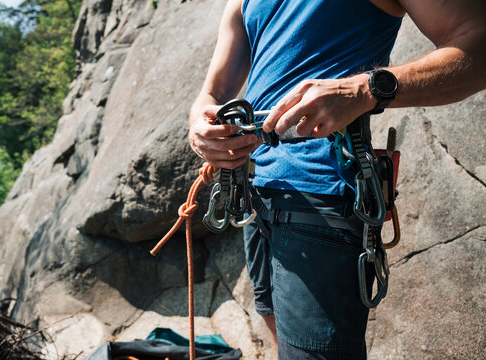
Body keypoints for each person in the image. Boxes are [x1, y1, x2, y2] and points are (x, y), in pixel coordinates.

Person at [188, 0, 486, 359]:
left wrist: (365, 90)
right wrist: (198, 122)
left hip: (320, 197)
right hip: (252, 193)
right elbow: (214, 90)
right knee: (270, 318)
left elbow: (478, 44)